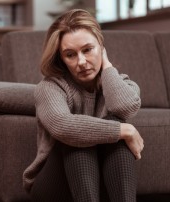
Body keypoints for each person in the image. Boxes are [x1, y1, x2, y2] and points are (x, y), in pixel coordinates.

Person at [22, 9, 144, 202]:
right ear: (61, 58)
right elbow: (63, 125)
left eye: (88, 50)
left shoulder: (123, 84)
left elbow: (125, 108)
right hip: (54, 185)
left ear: (101, 47)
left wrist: (107, 68)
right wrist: (124, 129)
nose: (81, 62)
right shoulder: (49, 88)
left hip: (104, 183)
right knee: (78, 136)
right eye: (70, 54)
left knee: (114, 124)